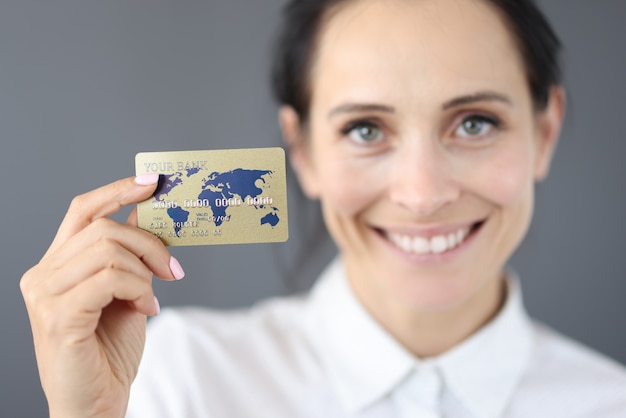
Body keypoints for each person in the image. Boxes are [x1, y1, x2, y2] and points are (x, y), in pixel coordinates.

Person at [20, 0, 626, 417]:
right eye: (365, 130)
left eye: (476, 122)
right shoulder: (175, 380)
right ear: (302, 150)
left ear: (545, 132)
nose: (422, 193)